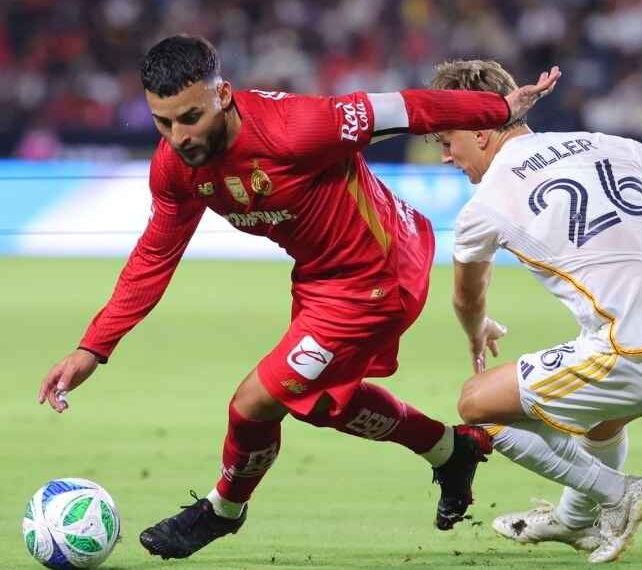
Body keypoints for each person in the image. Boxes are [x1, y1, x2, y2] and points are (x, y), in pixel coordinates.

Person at [35, 35, 561, 560]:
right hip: (322, 280)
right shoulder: (176, 168)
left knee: (254, 402)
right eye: (163, 122)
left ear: (223, 95)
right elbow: (155, 256)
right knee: (321, 403)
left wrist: (498, 108)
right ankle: (451, 450)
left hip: (378, 273)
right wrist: (92, 349)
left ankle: (222, 511)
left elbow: (403, 108)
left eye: (189, 117)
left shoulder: (298, 128)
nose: (179, 137)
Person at [428, 59, 642, 563]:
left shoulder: (485, 204)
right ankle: (572, 520)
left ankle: (615, 494)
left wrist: (479, 329)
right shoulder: (612, 144)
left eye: (446, 140)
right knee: (601, 420)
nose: (446, 156)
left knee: (477, 404)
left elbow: (467, 298)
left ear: (479, 132)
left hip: (638, 347)